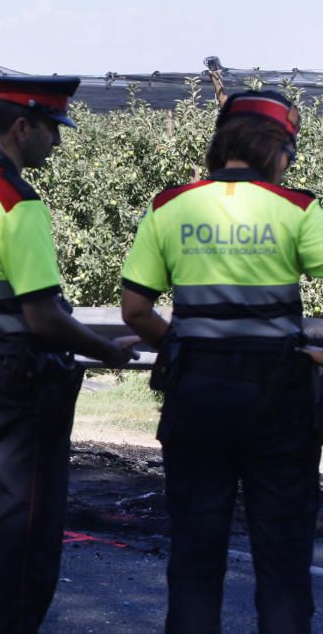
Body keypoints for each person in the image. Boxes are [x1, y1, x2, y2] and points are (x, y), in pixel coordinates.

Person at [0, 75, 139, 633]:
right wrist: (109, 352)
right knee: (27, 538)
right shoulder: (18, 202)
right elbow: (44, 316)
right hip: (23, 388)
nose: (57, 143)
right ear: (22, 127)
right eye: (52, 129)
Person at [121, 90, 323, 633]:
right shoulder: (299, 210)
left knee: (193, 560)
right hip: (279, 402)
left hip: (197, 397)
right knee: (282, 564)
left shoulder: (170, 206)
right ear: (274, 148)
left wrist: (184, 345)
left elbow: (135, 309)